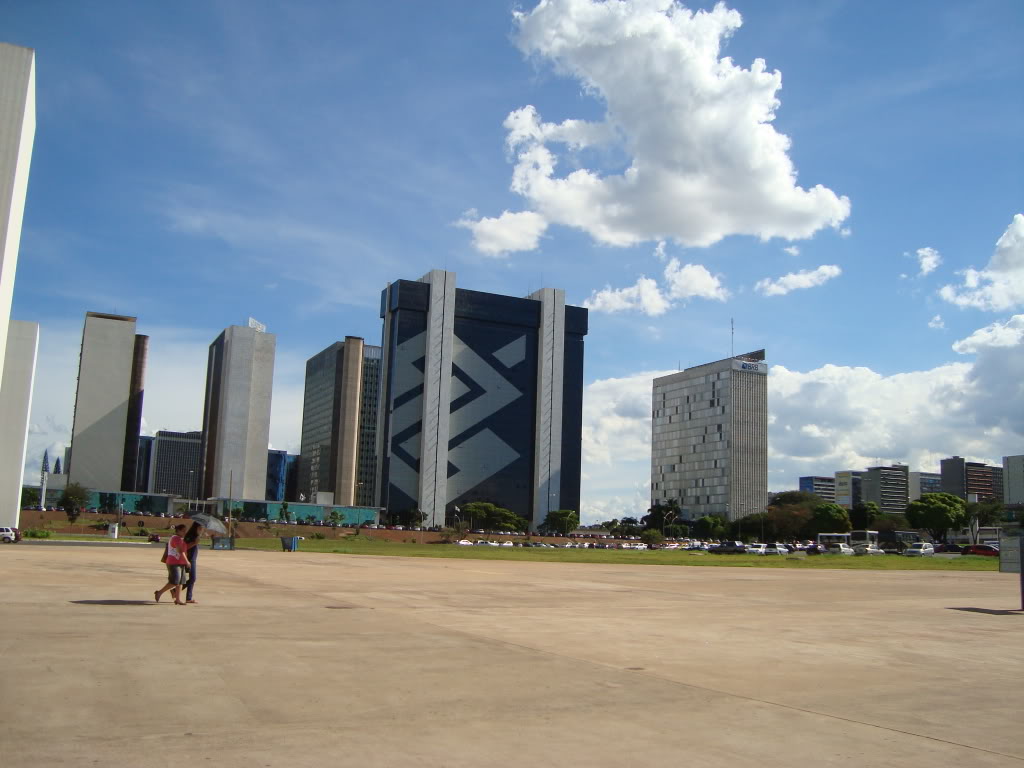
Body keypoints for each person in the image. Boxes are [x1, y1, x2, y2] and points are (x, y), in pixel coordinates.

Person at [154, 524, 190, 605]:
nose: (185, 532)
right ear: (178, 531)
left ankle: (178, 599)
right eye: (183, 530)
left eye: (185, 530)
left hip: (180, 562)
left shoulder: (181, 539)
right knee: (175, 581)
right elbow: (180, 551)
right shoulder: (176, 538)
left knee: (180, 582)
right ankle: (159, 592)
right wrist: (187, 561)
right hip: (174, 562)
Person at [182, 521, 204, 604]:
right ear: (196, 527)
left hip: (193, 558)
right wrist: (195, 543)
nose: (201, 530)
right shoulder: (190, 536)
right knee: (192, 578)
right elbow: (185, 547)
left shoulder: (196, 536)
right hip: (190, 559)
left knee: (191, 579)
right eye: (200, 528)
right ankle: (174, 590)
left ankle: (188, 597)